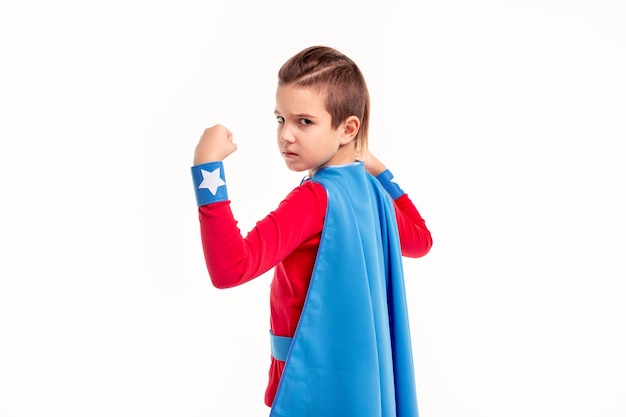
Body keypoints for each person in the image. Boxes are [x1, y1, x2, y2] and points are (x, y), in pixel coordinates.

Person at [190, 45, 432, 417]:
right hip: (358, 380)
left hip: (309, 380)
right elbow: (420, 239)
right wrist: (379, 170)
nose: (286, 135)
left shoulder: (314, 200)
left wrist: (208, 170)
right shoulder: (371, 191)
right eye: (279, 119)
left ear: (348, 128)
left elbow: (230, 268)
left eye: (304, 121)